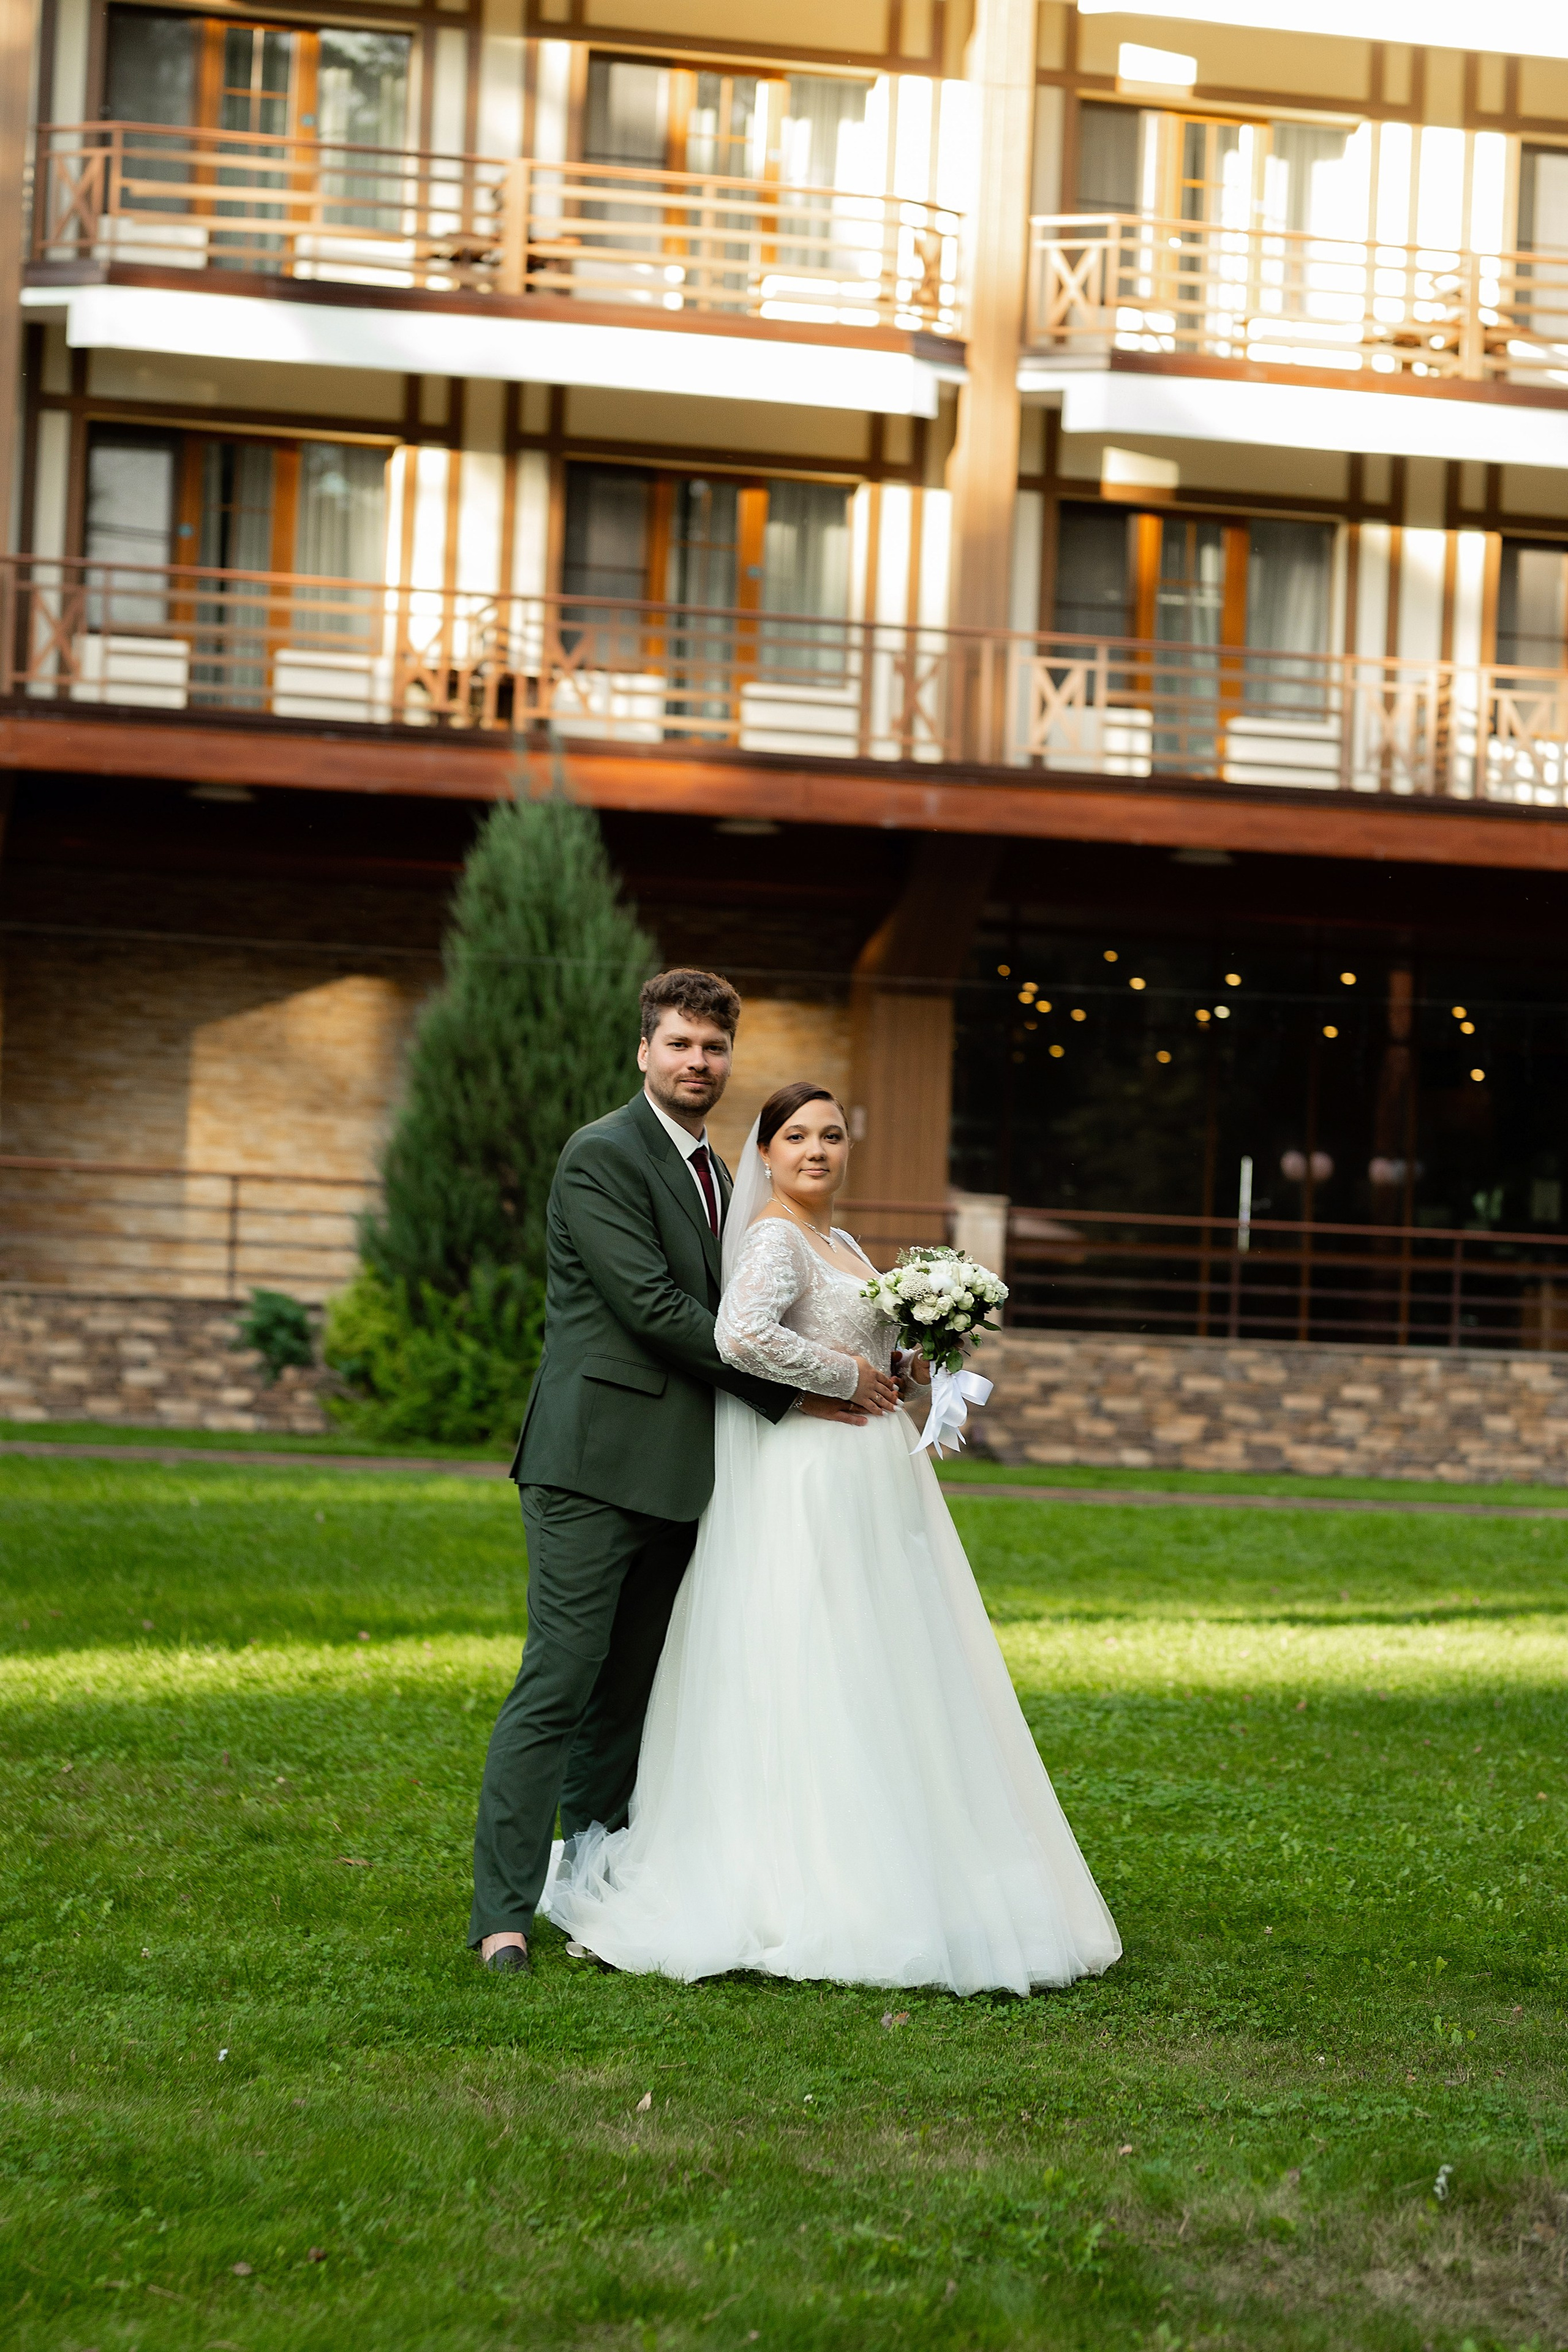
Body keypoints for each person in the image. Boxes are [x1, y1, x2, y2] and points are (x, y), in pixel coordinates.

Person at [543, 1081, 1121, 1996]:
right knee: (814, 1650)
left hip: (872, 1479)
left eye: (833, 1136)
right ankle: (802, 1876)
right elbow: (741, 1334)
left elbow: (853, 1333)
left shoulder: (842, 1243)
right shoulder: (773, 1235)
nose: (817, 1150)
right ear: (765, 1155)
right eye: (798, 1136)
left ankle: (904, 1859)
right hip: (809, 1473)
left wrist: (907, 1356)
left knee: (885, 1657)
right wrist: (845, 1376)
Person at [469, 973, 899, 1973]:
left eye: (713, 1047)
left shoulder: (721, 1173)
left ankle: (597, 1879)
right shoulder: (601, 1155)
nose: (697, 1062)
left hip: (690, 1475)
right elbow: (656, 1310)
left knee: (632, 1698)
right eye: (679, 1044)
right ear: (644, 1052)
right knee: (561, 1679)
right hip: (591, 1463)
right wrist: (803, 1390)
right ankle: (502, 1916)